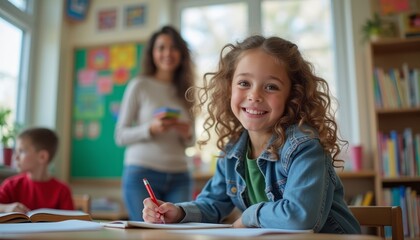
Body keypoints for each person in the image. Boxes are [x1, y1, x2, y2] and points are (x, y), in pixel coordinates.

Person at [142, 35, 361, 233]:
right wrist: (177, 212)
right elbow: (212, 203)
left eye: (271, 87)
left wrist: (249, 216)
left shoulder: (304, 145)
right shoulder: (232, 150)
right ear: (229, 89)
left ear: (293, 95)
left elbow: (300, 216)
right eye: (244, 83)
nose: (254, 95)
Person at [114, 25, 195, 221]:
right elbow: (120, 136)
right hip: (142, 174)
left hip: (180, 176)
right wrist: (150, 129)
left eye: (174, 47)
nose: (168, 53)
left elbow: (192, 142)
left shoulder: (187, 92)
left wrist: (187, 134)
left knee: (177, 235)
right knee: (148, 234)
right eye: (161, 47)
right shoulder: (139, 85)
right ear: (152, 53)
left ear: (182, 53)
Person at [0, 127, 74, 213]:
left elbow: (71, 221)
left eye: (21, 151)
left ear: (42, 157)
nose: (15, 157)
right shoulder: (11, 185)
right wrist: (6, 208)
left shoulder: (62, 191)